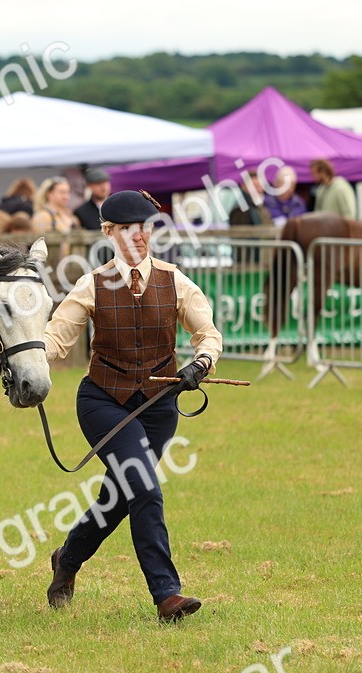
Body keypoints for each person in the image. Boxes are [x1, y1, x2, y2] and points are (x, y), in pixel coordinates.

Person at [42, 189, 223, 623]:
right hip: (102, 400)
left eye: (145, 227)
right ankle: (167, 594)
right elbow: (57, 336)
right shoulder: (91, 283)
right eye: (127, 229)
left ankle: (67, 559)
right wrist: (27, 360)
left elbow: (208, 334)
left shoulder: (176, 280)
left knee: (120, 495)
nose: (139, 236)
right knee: (144, 485)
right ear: (109, 233)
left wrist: (202, 362)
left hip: (160, 406)